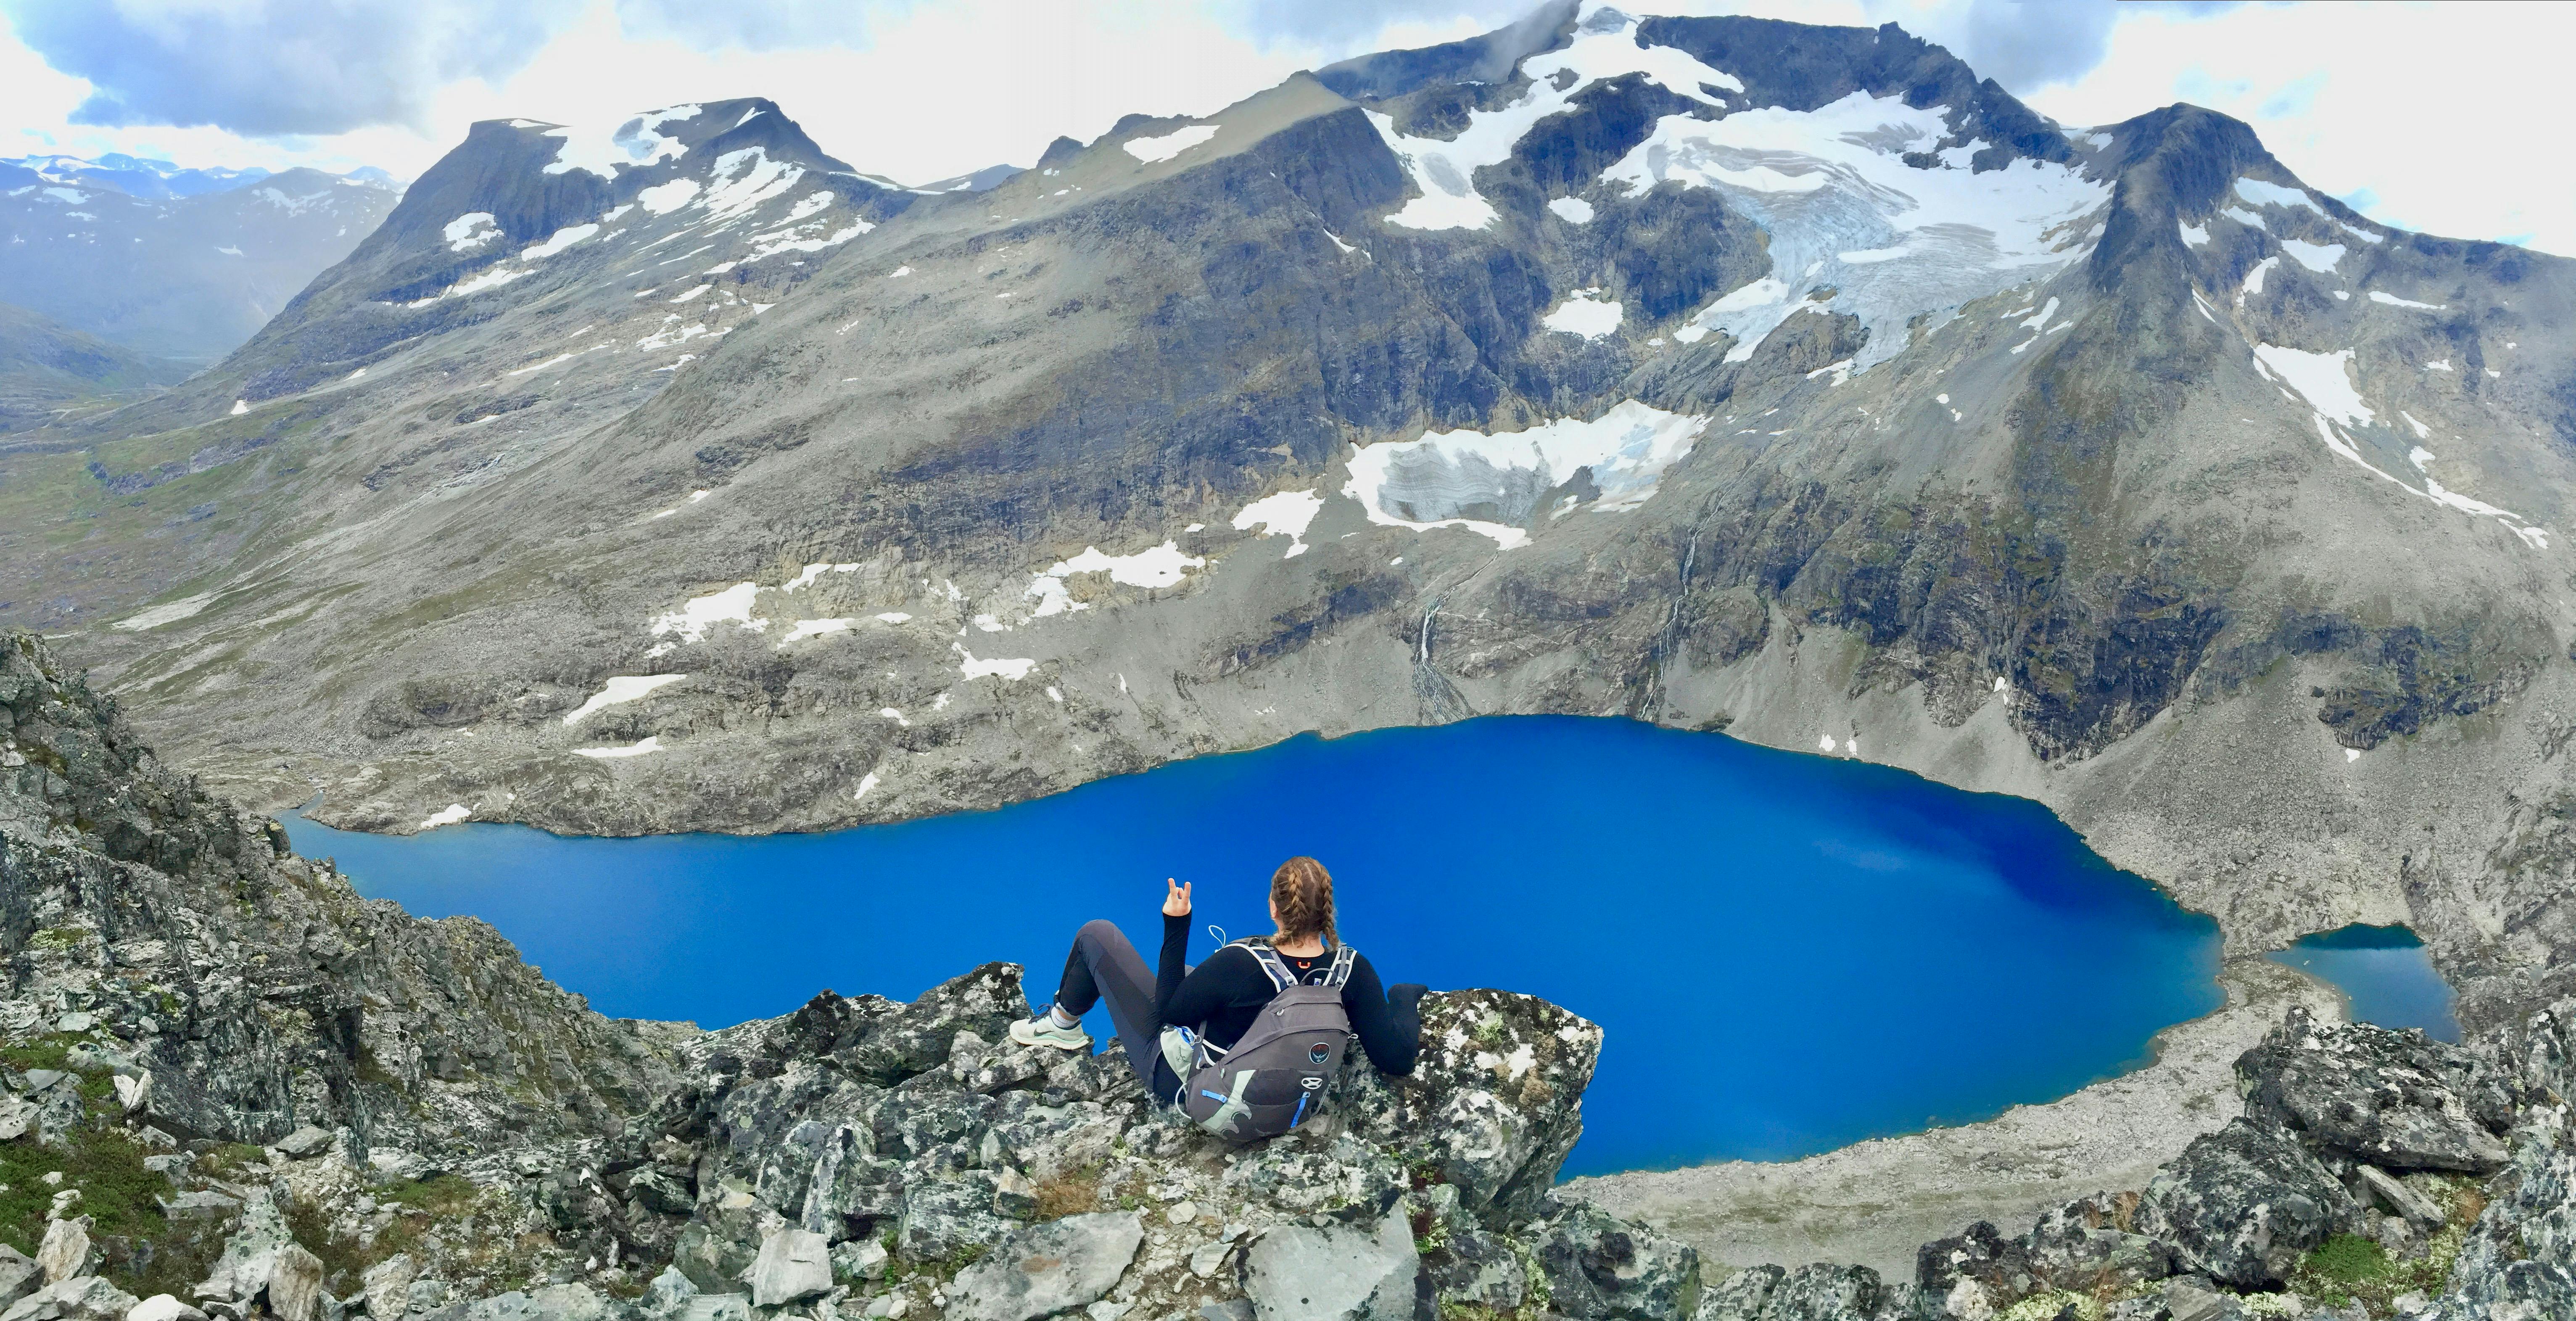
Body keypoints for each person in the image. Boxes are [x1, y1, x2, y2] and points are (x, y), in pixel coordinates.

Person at [1010, 856, 1426, 1106]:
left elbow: (1169, 1011)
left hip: (1200, 1093)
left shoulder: (1240, 962)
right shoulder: (1351, 970)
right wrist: (1402, 996)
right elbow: (1397, 1058)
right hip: (1287, 1100)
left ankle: (1062, 1024)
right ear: (1327, 911)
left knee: (1097, 934)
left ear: (1273, 908)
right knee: (1192, 977)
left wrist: (1176, 925)